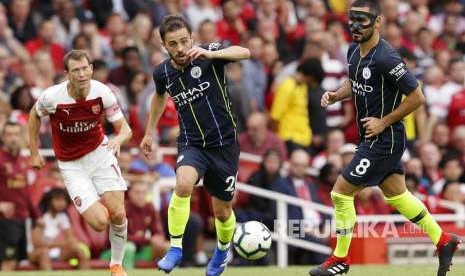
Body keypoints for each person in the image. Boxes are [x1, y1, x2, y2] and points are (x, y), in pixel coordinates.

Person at [309, 1, 461, 276]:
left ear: (378, 22)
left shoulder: (387, 58)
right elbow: (354, 82)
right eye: (352, 19)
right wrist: (335, 94)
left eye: (362, 20)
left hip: (385, 138)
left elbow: (417, 96)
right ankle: (443, 240)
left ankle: (340, 259)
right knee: (398, 196)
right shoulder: (354, 50)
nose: (355, 26)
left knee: (340, 194)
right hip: (373, 137)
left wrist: (383, 121)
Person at [139, 15, 250, 276]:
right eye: (173, 43)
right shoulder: (162, 72)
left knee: (222, 210)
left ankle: (222, 251)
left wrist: (214, 54)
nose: (180, 48)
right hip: (192, 144)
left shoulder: (209, 53)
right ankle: (175, 248)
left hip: (224, 145)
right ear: (164, 46)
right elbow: (158, 97)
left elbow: (244, 52)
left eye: (184, 41)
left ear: (192, 38)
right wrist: (148, 133)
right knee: (183, 183)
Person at [28, 49, 133, 276]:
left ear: (91, 69)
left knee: (118, 214)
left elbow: (125, 129)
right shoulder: (52, 97)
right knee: (98, 223)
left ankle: (116, 265)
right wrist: (34, 152)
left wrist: (118, 139)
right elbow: (34, 115)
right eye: (76, 70)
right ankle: (101, 208)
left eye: (85, 68)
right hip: (71, 165)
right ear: (67, 74)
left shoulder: (103, 93)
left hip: (100, 154)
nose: (82, 74)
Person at [0, 121, 40, 271]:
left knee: (16, 262)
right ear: (3, 137)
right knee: (7, 262)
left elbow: (25, 192)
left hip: (22, 219)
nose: (13, 138)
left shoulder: (23, 160)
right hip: (5, 221)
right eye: (9, 134)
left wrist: (37, 215)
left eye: (16, 134)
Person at [29, 187, 90, 270]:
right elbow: (38, 243)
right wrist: (61, 244)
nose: (61, 203)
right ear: (49, 201)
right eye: (57, 199)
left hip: (57, 252)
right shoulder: (39, 217)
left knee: (78, 251)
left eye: (63, 200)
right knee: (44, 253)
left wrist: (70, 244)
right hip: (35, 253)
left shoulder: (63, 216)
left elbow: (71, 239)